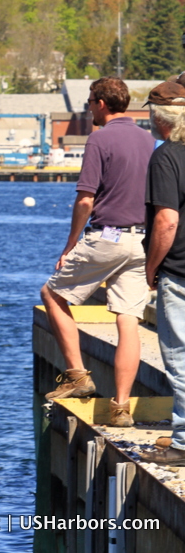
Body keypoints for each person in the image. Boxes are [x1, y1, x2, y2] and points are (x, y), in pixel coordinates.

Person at [40, 76, 154, 428]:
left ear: (102, 103)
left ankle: (77, 375)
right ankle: (120, 408)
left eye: (90, 101)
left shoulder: (99, 139)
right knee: (128, 321)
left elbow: (86, 198)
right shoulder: (150, 140)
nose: (89, 107)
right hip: (142, 242)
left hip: (109, 236)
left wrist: (71, 242)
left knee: (53, 294)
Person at [140, 81, 185, 465]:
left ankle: (184, 444)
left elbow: (166, 221)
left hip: (180, 272)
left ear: (160, 118)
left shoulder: (166, 157)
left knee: (181, 359)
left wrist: (151, 266)